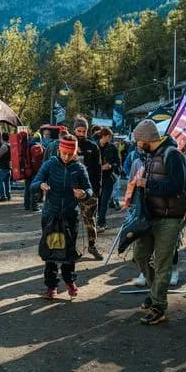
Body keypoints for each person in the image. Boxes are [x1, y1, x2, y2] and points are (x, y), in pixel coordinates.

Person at [132, 119, 186, 325]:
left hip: (169, 219)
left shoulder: (172, 155)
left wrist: (148, 183)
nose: (137, 144)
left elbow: (177, 186)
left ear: (147, 139)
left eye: (138, 140)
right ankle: (155, 291)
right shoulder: (150, 154)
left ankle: (159, 307)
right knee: (140, 255)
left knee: (163, 263)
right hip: (150, 216)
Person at [32, 134, 92, 299]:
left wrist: (83, 193)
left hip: (70, 215)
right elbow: (33, 184)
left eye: (70, 154)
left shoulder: (79, 168)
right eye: (64, 153)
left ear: (75, 153)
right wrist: (41, 185)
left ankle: (70, 281)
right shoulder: (49, 164)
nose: (66, 157)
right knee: (51, 251)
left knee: (69, 251)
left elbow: (89, 189)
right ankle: (51, 286)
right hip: (51, 214)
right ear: (59, 150)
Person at [71, 116, 103, 260]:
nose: (81, 133)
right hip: (71, 190)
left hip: (89, 190)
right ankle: (71, 248)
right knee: (71, 221)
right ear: (74, 130)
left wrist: (97, 190)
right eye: (79, 130)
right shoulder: (68, 144)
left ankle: (92, 246)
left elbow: (98, 170)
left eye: (84, 131)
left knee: (90, 220)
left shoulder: (93, 146)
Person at [96, 127, 119, 232]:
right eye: (109, 136)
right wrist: (100, 168)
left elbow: (118, 162)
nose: (110, 139)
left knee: (105, 201)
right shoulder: (94, 146)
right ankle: (97, 220)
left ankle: (101, 223)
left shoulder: (112, 147)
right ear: (104, 136)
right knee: (98, 201)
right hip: (96, 178)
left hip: (108, 178)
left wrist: (111, 165)